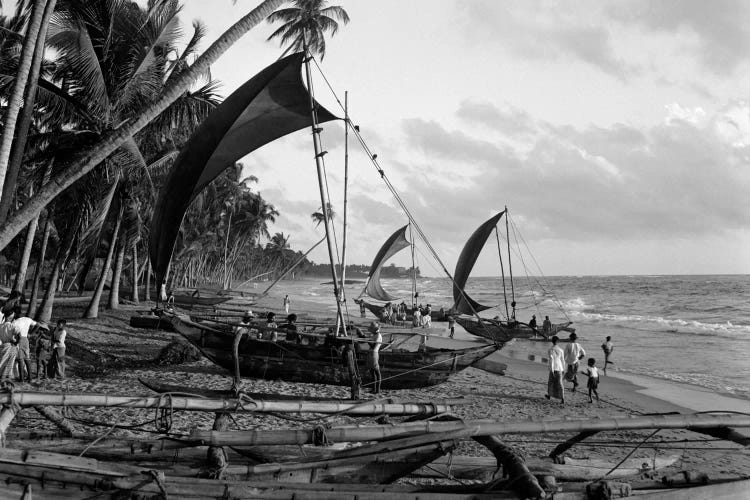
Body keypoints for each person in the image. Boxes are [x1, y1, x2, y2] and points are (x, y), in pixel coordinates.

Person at [12, 306, 40, 383]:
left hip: (19, 339)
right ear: (21, 312)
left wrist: (15, 342)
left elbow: (16, 334)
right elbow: (38, 325)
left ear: (14, 313)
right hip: (26, 339)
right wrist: (31, 334)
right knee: (27, 358)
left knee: (20, 359)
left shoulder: (15, 322)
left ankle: (22, 379)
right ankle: (30, 378)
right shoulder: (27, 319)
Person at [545, 336, 565, 404]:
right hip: (560, 368)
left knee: (551, 382)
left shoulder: (550, 350)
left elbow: (551, 360)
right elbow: (562, 360)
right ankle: (562, 398)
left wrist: (552, 369)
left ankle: (549, 395)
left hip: (553, 368)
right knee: (560, 383)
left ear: (552, 341)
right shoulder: (561, 350)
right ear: (558, 341)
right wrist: (563, 368)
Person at [0, 312, 18, 381]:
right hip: (10, 345)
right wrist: (16, 342)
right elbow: (19, 334)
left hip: (3, 345)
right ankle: (5, 379)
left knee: (2, 361)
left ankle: (3, 378)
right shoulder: (12, 326)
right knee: (9, 363)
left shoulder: (1, 326)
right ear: (10, 318)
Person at [366, 322, 382, 394]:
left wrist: (368, 341)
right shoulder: (374, 335)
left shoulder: (378, 336)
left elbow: (373, 346)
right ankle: (374, 389)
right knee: (372, 372)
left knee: (377, 372)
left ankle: (377, 390)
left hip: (374, 353)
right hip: (371, 353)